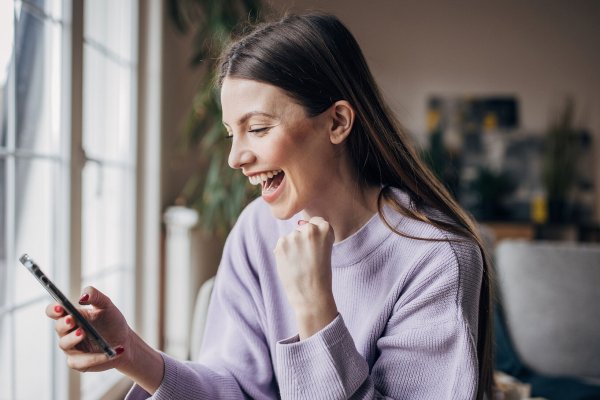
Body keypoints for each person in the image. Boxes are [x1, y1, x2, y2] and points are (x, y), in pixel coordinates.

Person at [46, 12, 493, 399]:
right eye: (231, 133)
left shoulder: (436, 257)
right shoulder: (257, 228)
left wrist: (316, 307)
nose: (235, 158)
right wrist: (127, 349)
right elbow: (234, 389)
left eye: (257, 128)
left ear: (337, 122)